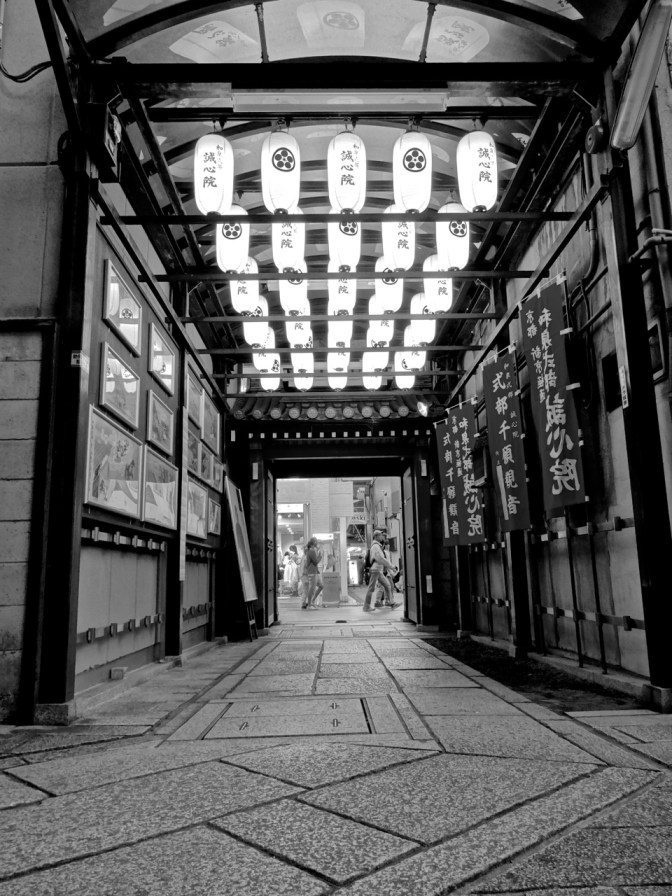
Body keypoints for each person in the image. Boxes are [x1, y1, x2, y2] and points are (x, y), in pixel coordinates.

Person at [363, 530, 399, 612]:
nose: (382, 536)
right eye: (380, 535)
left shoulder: (377, 546)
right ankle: (366, 606)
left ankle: (391, 603)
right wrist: (392, 566)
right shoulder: (376, 546)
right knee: (371, 588)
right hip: (376, 570)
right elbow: (381, 559)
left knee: (387, 585)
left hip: (378, 570)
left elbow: (382, 559)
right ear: (376, 536)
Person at [302, 536, 323, 609]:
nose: (318, 544)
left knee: (321, 586)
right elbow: (316, 562)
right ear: (314, 543)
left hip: (314, 572)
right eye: (317, 542)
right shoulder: (311, 551)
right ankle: (310, 604)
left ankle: (312, 601)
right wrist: (320, 556)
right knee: (312, 588)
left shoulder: (311, 550)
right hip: (312, 572)